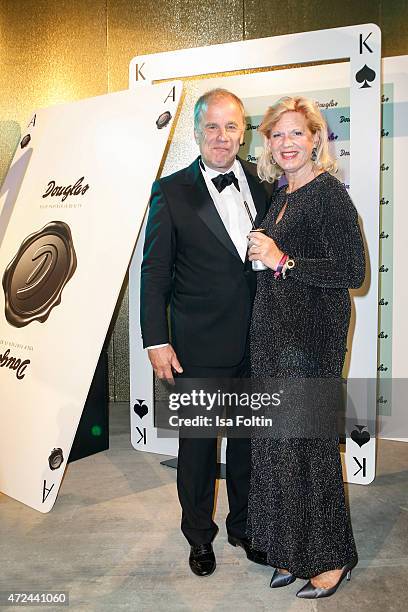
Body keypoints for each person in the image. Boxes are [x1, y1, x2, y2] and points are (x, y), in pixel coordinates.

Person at [140, 88, 274, 577]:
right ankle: (199, 536)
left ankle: (244, 525)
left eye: (231, 126)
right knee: (198, 450)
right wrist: (157, 339)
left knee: (247, 444)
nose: (222, 137)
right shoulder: (171, 191)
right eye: (212, 127)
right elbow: (154, 273)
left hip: (257, 342)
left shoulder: (263, 185)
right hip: (197, 346)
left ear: (244, 131)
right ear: (196, 132)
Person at [247, 96, 365, 599]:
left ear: (316, 138)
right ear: (268, 144)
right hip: (273, 339)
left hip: (310, 342)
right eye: (277, 135)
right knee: (279, 450)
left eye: (297, 133)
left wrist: (282, 261)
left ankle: (333, 558)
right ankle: (295, 551)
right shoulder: (281, 195)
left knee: (310, 449)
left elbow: (352, 273)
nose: (287, 143)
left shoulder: (329, 194)